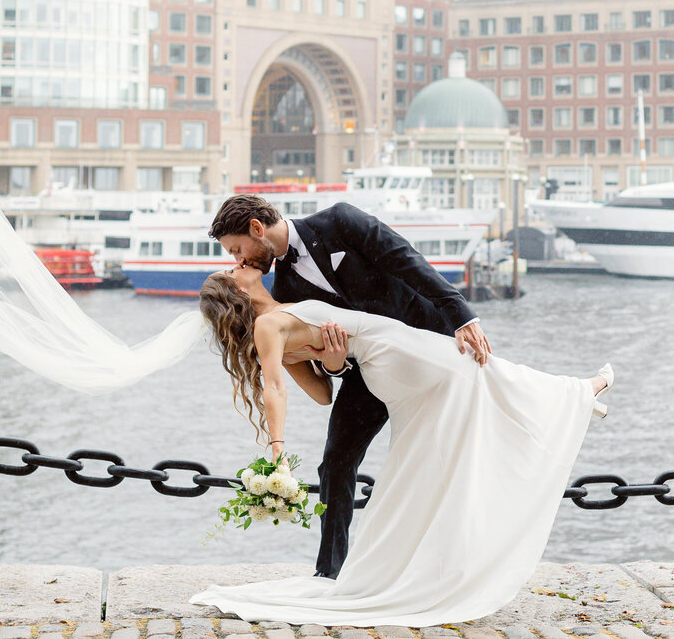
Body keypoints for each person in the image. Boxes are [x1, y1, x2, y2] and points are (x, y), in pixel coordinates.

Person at [191, 267, 613, 626]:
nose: (238, 262)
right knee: (481, 370)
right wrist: (277, 449)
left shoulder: (277, 317)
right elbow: (278, 389)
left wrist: (334, 362)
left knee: (430, 447)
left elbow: (323, 390)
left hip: (383, 364)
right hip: (391, 351)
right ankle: (579, 393)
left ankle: (413, 566)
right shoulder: (268, 325)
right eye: (231, 270)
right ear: (239, 290)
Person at [208, 193, 491, 578]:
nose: (238, 260)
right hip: (366, 371)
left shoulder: (340, 221)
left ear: (257, 229)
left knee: (456, 443)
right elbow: (322, 365)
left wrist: (460, 315)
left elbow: (407, 261)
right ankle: (329, 572)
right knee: (336, 461)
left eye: (237, 249)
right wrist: (335, 365)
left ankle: (457, 560)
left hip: (427, 338)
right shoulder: (285, 292)